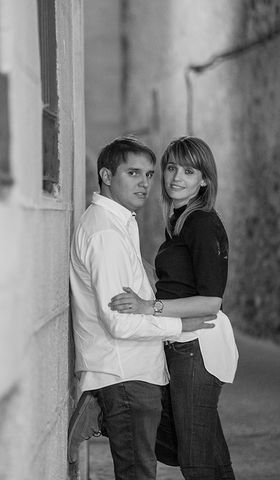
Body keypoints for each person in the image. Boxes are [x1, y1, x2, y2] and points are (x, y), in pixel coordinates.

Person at [68, 136, 216, 479]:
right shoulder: (105, 234)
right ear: (106, 175)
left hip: (134, 373)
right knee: (138, 473)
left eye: (149, 174)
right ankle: (101, 410)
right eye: (133, 173)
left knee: (154, 459)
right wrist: (181, 326)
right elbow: (120, 324)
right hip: (124, 374)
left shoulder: (120, 223)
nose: (145, 183)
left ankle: (100, 413)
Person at [108, 136, 238, 479]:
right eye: (171, 168)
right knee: (209, 454)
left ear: (204, 180)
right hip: (184, 345)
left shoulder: (202, 223)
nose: (176, 177)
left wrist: (149, 306)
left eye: (189, 171)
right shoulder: (180, 222)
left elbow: (212, 300)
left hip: (198, 347)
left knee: (195, 458)